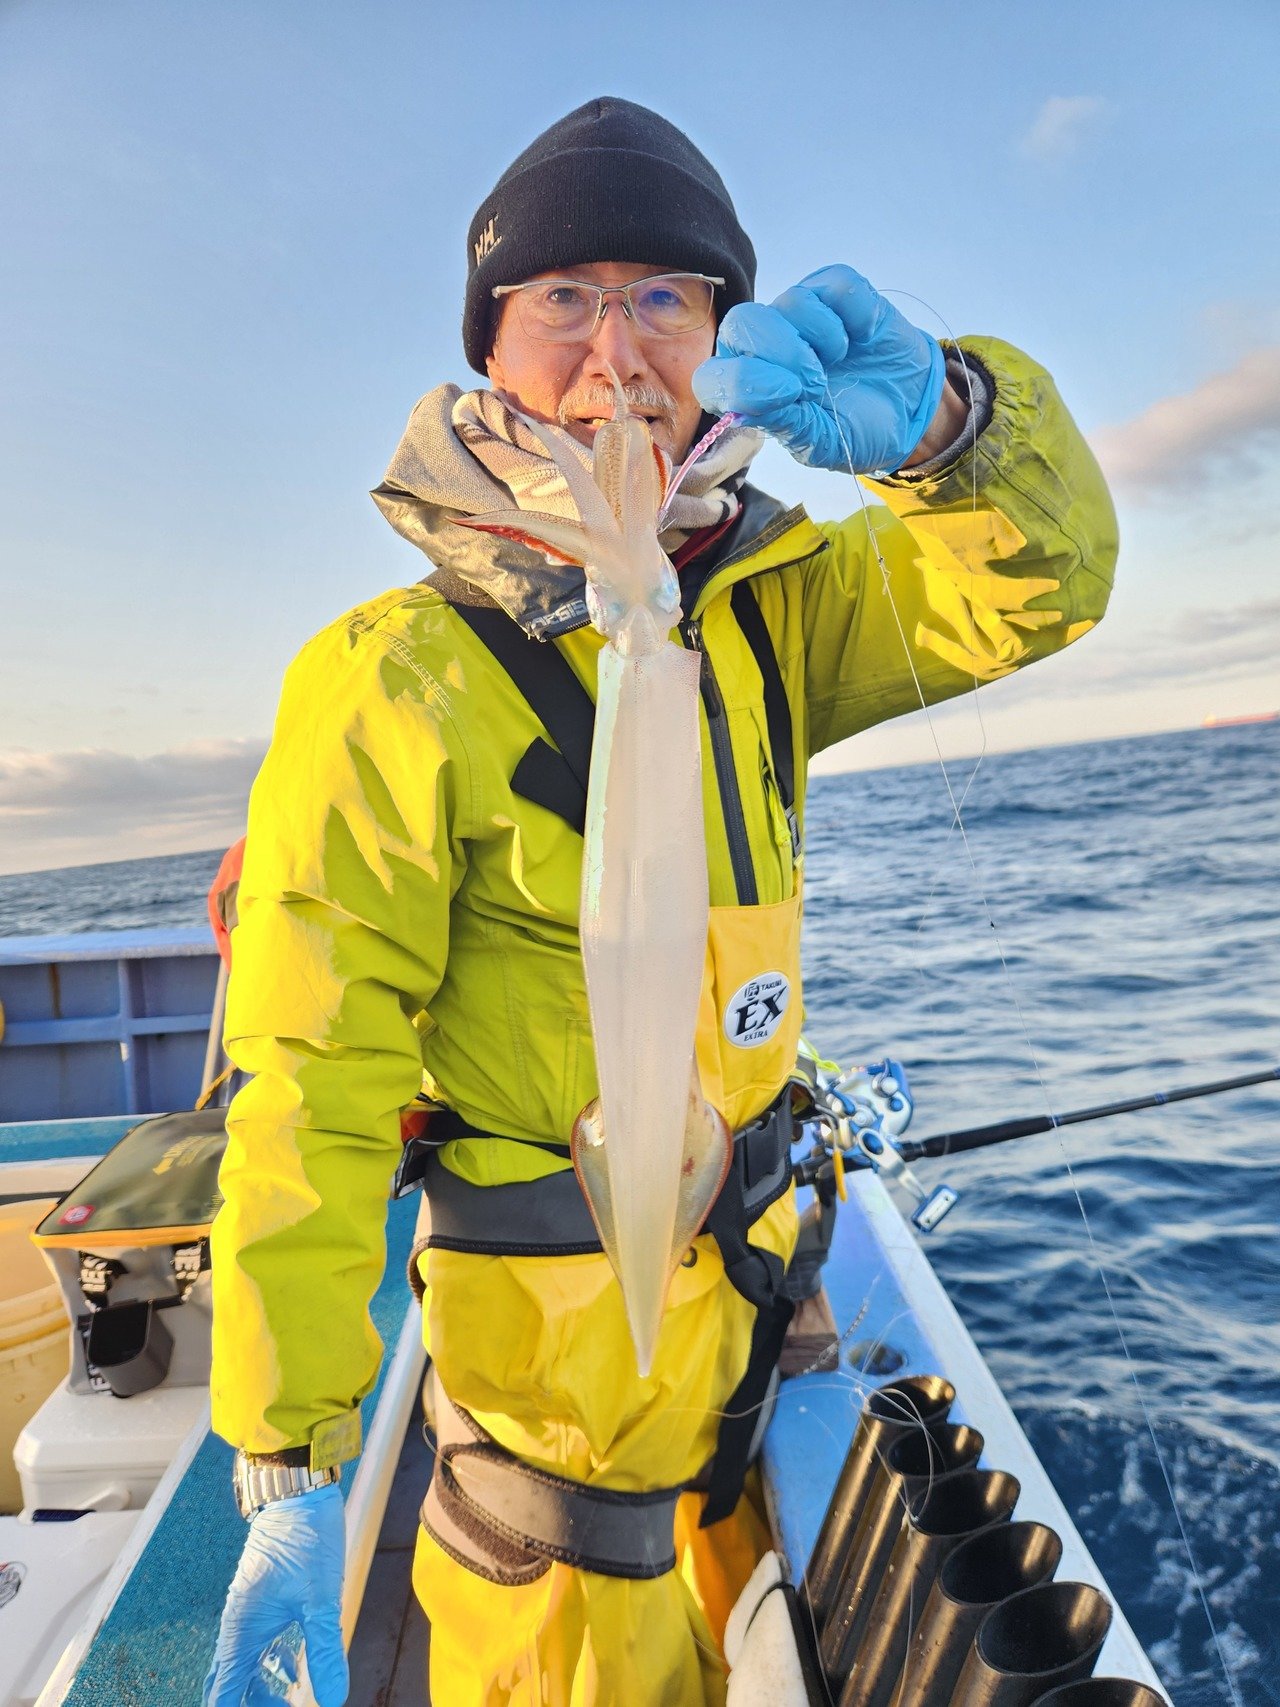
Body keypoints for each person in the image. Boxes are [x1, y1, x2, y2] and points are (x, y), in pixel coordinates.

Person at [202, 96, 1117, 1707]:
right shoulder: (389, 680)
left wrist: (952, 424)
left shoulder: (773, 612)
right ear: (491, 346)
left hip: (751, 1342)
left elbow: (1033, 585)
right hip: (549, 1433)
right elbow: (310, 1079)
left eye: (663, 300)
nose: (616, 350)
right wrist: (287, 1448)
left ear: (722, 341)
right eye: (563, 296)